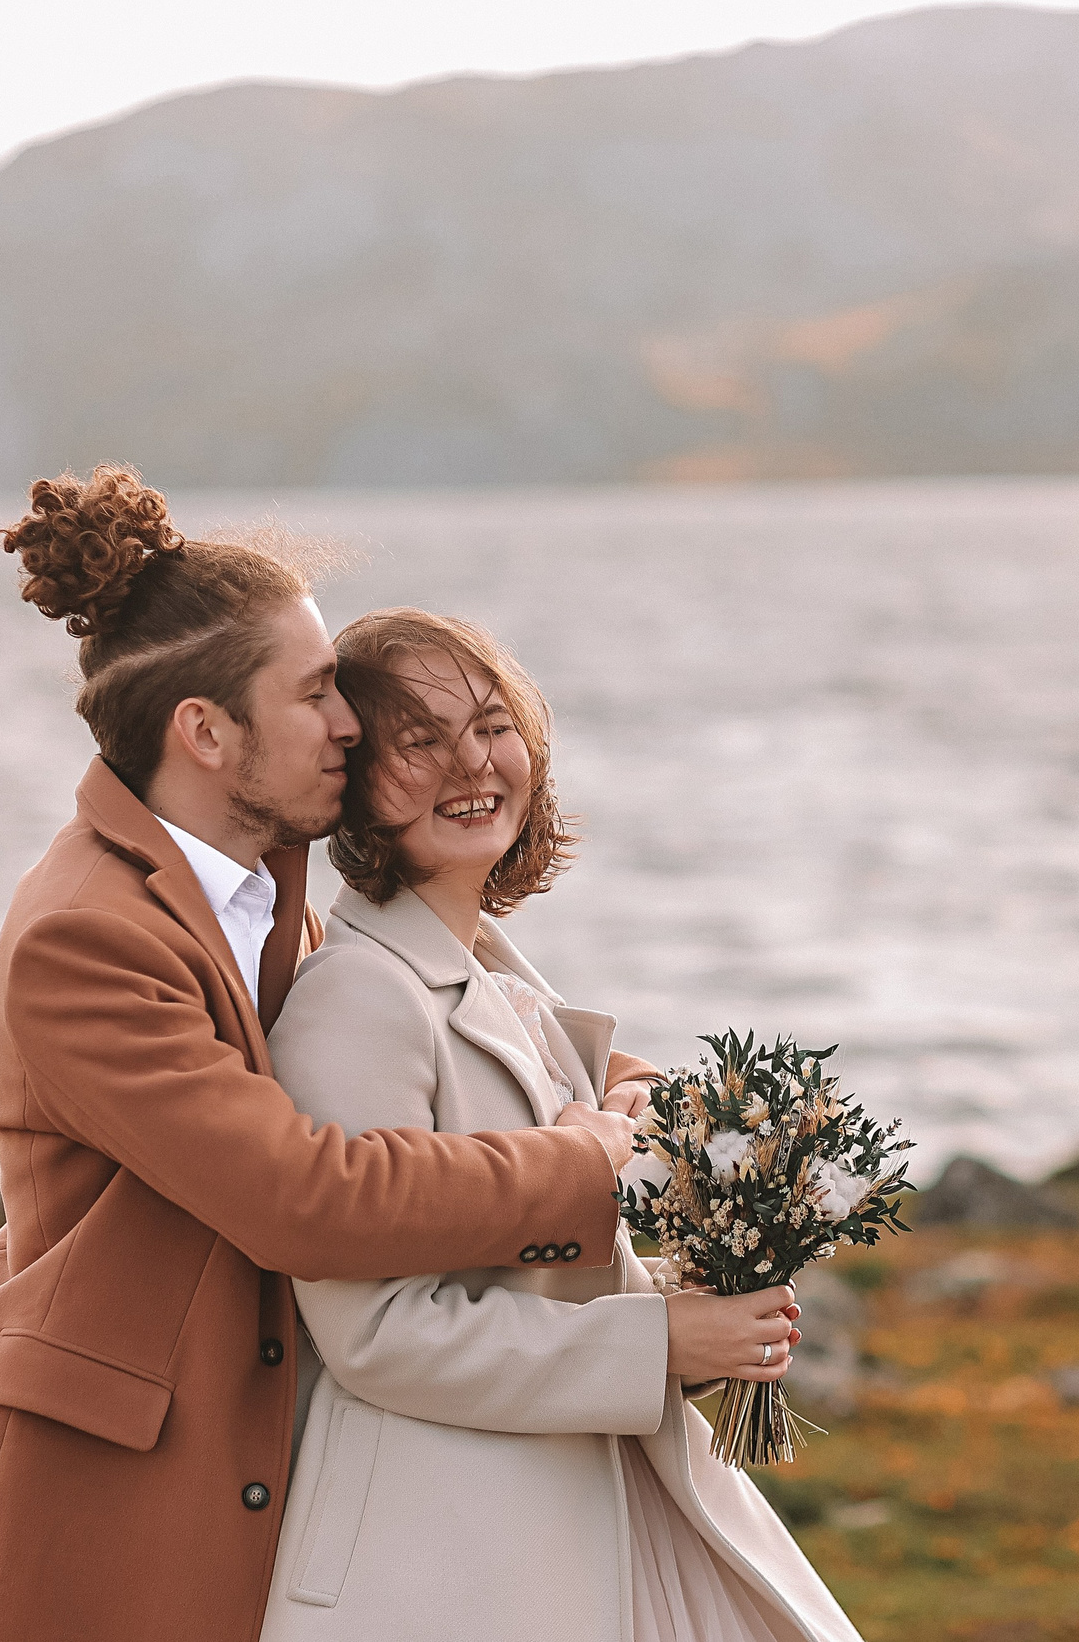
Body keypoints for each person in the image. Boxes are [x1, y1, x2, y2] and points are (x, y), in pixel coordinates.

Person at [0, 468, 653, 1642]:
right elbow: (303, 1195)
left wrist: (596, 1083)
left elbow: (428, 1012)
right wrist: (578, 1167)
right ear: (204, 731)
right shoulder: (86, 937)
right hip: (51, 1527)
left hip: (207, 1495)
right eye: (312, 696)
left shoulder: (269, 888)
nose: (348, 723)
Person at [262, 608, 856, 1642]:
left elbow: (537, 1267)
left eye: (491, 724)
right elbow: (375, 1333)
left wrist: (704, 1309)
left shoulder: (497, 974)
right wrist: (660, 1342)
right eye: (418, 740)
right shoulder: (354, 996)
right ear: (350, 777)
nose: (470, 762)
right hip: (441, 1559)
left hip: (577, 1510)